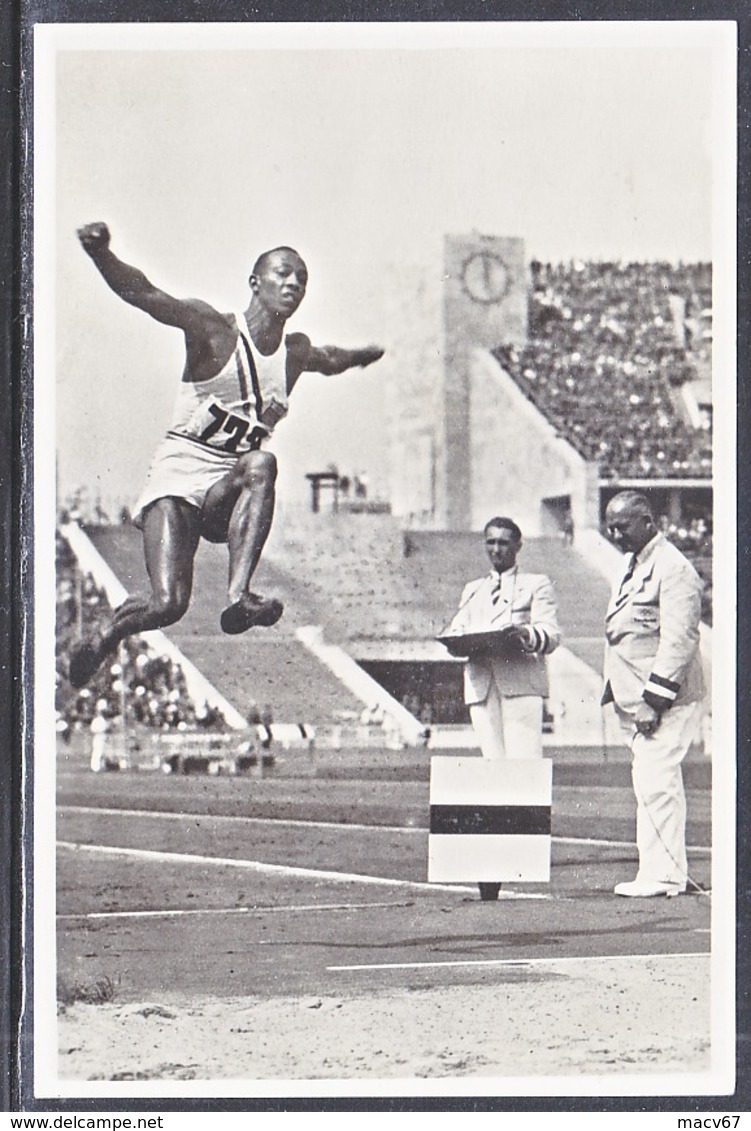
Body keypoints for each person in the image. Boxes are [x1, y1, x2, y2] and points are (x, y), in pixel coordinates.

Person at [68, 223, 384, 688]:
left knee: (262, 463)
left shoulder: (293, 353)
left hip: (226, 490)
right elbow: (145, 294)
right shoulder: (213, 328)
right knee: (168, 605)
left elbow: (329, 359)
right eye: (283, 273)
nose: (294, 283)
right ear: (256, 282)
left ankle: (240, 596)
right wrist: (101, 255)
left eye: (302, 278)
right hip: (179, 478)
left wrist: (363, 355)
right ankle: (106, 634)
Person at [443, 516, 561, 901]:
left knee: (523, 767)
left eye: (505, 543)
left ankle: (518, 855)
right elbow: (457, 629)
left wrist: (525, 634)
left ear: (518, 546)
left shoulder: (535, 584)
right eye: (491, 543)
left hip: (520, 684)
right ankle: (491, 866)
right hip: (481, 684)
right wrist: (455, 641)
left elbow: (551, 634)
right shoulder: (473, 590)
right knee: (491, 771)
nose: (497, 550)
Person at [602, 491, 705, 898]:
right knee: (650, 782)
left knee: (656, 782)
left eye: (622, 526)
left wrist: (654, 700)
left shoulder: (674, 568)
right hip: (638, 696)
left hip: (667, 698)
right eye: (610, 525)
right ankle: (661, 871)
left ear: (648, 521)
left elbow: (680, 640)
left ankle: (664, 876)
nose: (614, 534)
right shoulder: (630, 564)